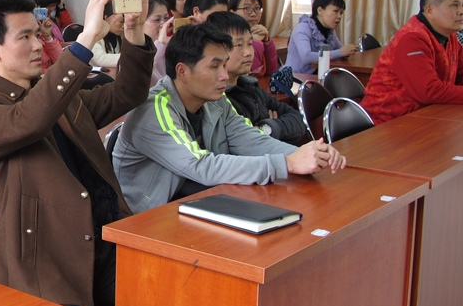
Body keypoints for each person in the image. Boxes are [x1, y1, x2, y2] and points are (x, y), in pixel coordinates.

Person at [0, 0, 156, 306]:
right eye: (25, 37)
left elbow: (127, 94)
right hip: (48, 263)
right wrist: (85, 40)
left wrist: (134, 32)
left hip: (105, 241)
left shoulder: (54, 95)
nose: (39, 45)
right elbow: (29, 120)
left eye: (38, 34)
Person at [112, 23, 346, 215]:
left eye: (224, 65)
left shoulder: (215, 99)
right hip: (145, 219)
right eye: (215, 66)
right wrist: (288, 163)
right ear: (182, 71)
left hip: (198, 202)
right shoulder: (154, 109)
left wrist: (305, 154)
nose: (224, 75)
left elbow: (251, 141)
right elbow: (201, 166)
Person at [361, 0, 463, 124]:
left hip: (425, 116)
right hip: (386, 122)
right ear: (430, 10)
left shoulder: (449, 36)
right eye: (455, 5)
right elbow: (428, 90)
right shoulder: (413, 38)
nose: (461, 11)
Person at [205, 11, 306, 144]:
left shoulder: (251, 86)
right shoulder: (216, 98)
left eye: (250, 43)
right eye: (239, 45)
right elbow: (243, 143)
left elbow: (297, 121)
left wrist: (267, 127)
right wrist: (272, 129)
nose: (248, 52)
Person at [288, 0, 358, 74]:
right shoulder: (303, 28)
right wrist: (340, 52)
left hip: (318, 75)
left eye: (341, 13)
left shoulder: (330, 31)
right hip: (295, 77)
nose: (339, 16)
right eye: (335, 11)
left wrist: (347, 51)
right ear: (320, 11)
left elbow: (340, 49)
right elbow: (306, 57)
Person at [228, 0, 278, 77]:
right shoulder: (229, 36)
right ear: (233, 12)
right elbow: (250, 74)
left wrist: (267, 41)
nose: (253, 14)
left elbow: (272, 72)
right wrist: (255, 42)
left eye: (257, 8)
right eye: (247, 8)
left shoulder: (258, 32)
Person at [143, 0, 173, 85]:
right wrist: (160, 44)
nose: (163, 24)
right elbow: (143, 71)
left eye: (166, 18)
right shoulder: (133, 52)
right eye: (157, 20)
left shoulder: (166, 47)